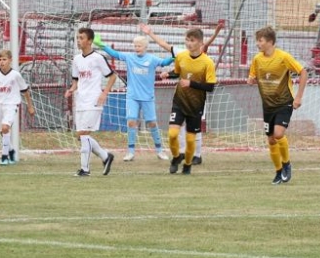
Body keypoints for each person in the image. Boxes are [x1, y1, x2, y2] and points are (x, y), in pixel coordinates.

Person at [143, 25, 216, 175]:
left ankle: (188, 164)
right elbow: (177, 72)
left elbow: (210, 87)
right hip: (179, 102)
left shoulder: (207, 62)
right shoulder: (181, 56)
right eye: (187, 40)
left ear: (200, 43)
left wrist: (191, 84)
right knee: (172, 134)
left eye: (192, 40)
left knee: (190, 139)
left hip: (195, 106)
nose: (189, 43)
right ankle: (176, 158)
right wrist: (168, 74)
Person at [96, 33, 174, 161]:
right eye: (135, 45)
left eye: (139, 46)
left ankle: (160, 150)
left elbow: (164, 63)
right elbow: (115, 54)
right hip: (132, 97)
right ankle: (130, 152)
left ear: (145, 47)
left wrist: (175, 56)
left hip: (148, 97)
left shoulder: (152, 59)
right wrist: (102, 45)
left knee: (152, 123)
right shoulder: (129, 57)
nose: (137, 48)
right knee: (131, 121)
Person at [247, 26, 308, 185]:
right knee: (271, 140)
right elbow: (252, 75)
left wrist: (298, 97)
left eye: (260, 40)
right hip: (268, 105)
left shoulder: (283, 57)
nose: (257, 44)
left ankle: (286, 164)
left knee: (278, 134)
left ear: (270, 42)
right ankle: (278, 171)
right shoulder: (257, 59)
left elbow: (303, 72)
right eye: (257, 41)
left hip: (284, 102)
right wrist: (251, 79)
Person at [64, 27, 117, 177]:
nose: (78, 40)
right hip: (80, 101)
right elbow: (76, 80)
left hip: (94, 100)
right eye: (77, 38)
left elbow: (112, 76)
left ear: (90, 41)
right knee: (80, 135)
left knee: (83, 134)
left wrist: (104, 93)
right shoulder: (76, 59)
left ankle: (85, 170)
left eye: (81, 38)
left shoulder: (98, 58)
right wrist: (71, 89)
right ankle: (106, 156)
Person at [0, 49, 36, 166]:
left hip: (11, 105)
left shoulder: (15, 75)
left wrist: (30, 106)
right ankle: (11, 151)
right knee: (2, 131)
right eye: (0, 59)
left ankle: (4, 157)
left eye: (4, 59)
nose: (2, 62)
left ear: (10, 60)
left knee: (5, 127)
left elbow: (25, 91)